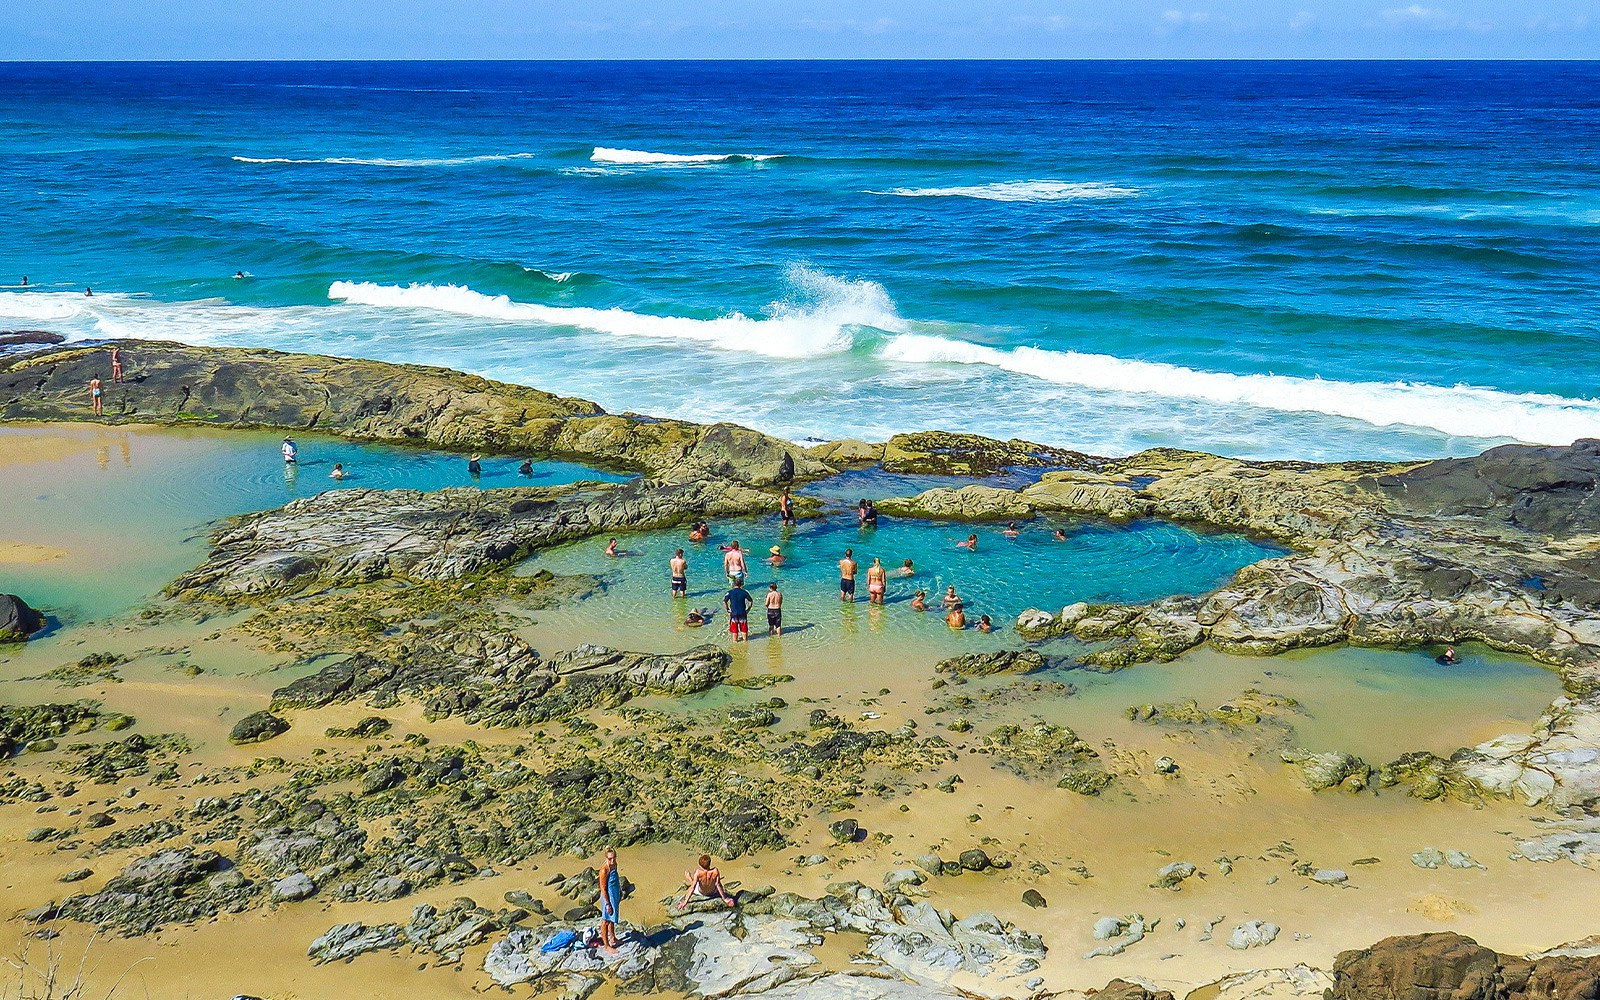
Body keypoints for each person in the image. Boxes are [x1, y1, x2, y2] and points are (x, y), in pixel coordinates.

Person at [597, 848, 622, 952]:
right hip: (608, 896)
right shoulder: (604, 870)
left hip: (615, 893)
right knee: (606, 920)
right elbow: (603, 888)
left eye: (614, 858)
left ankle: (613, 938)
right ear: (606, 858)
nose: (612, 861)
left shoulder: (614, 865)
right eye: (610, 858)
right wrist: (607, 904)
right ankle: (606, 946)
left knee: (612, 919)